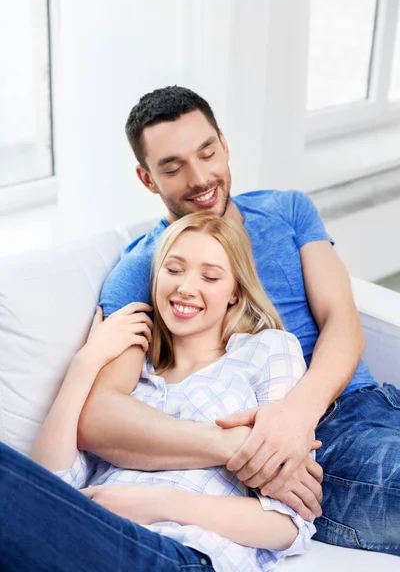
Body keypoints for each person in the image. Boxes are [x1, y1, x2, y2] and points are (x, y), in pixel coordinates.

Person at [77, 86, 400, 556]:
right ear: (148, 179)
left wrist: (294, 414)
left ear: (224, 144)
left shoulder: (287, 209)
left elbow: (342, 320)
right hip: (318, 448)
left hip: (365, 402)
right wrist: (245, 445)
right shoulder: (142, 270)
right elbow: (100, 417)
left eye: (207, 152)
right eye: (173, 167)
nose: (200, 176)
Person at [0, 213, 316, 572]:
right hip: (87, 540)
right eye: (174, 269)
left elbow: (288, 523)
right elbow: (48, 484)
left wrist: (154, 503)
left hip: (181, 554)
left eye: (210, 276)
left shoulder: (267, 351)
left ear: (235, 294)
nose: (185, 287)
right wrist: (85, 363)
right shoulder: (129, 381)